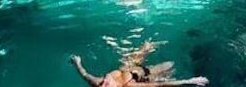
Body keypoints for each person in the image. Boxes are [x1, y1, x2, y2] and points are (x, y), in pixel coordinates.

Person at [69, 41, 209, 87]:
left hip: (129, 66)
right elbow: (158, 85)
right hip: (142, 75)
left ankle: (148, 48)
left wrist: (77, 63)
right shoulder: (129, 85)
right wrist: (188, 80)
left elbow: (84, 74)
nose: (104, 81)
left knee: (146, 45)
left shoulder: (98, 82)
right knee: (170, 65)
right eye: (107, 85)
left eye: (103, 83)